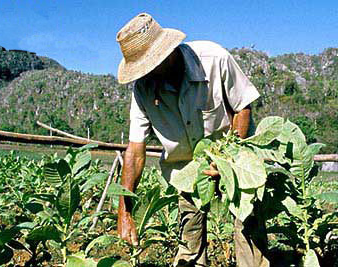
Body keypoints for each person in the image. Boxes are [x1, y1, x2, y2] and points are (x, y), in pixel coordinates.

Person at [115, 13, 269, 267]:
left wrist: (227, 159)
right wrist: (124, 210)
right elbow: (134, 152)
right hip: (187, 169)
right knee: (190, 244)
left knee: (249, 236)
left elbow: (243, 108)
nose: (148, 74)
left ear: (168, 51)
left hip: (234, 159)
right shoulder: (143, 88)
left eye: (151, 65)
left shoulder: (213, 59)